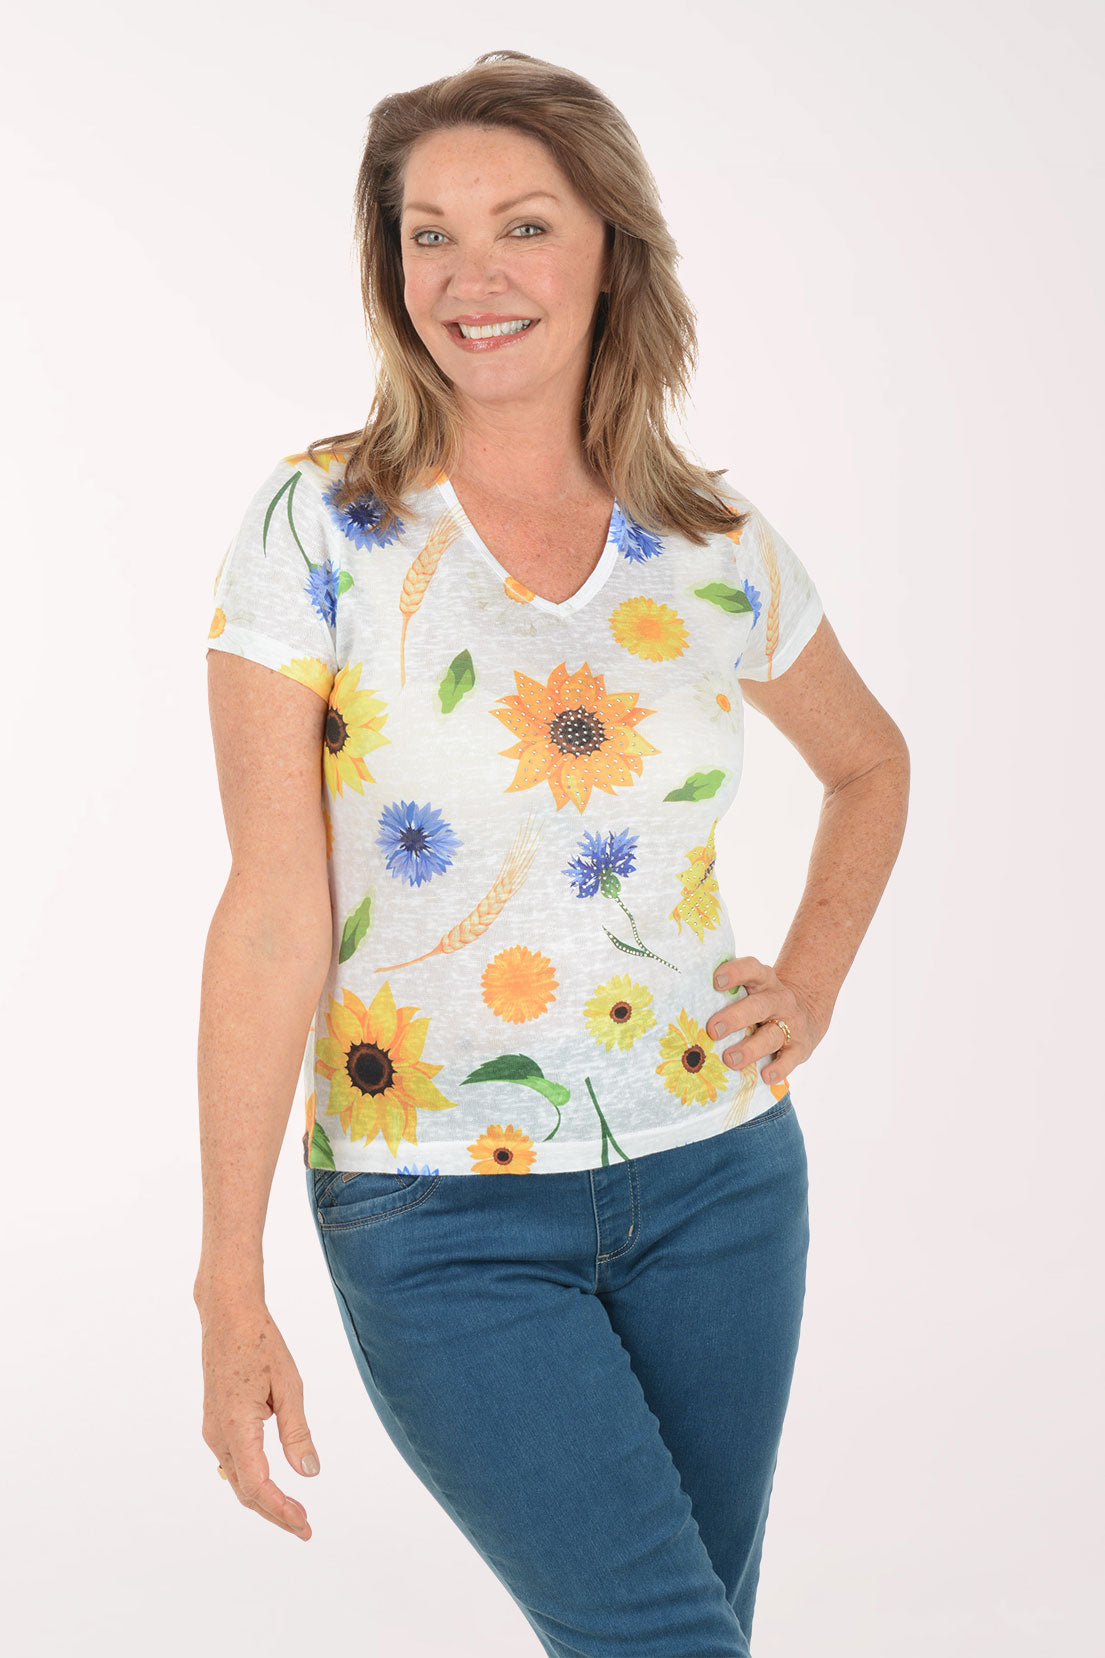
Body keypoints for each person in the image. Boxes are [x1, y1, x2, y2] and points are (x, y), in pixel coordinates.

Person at [195, 48, 910, 1658]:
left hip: (720, 1177)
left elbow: (869, 763)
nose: (471, 274)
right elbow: (267, 916)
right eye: (426, 233)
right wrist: (225, 1282)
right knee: (664, 1639)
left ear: (610, 253)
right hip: (434, 1212)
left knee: (689, 1630)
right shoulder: (318, 530)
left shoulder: (714, 548)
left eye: (522, 224)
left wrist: (807, 978)